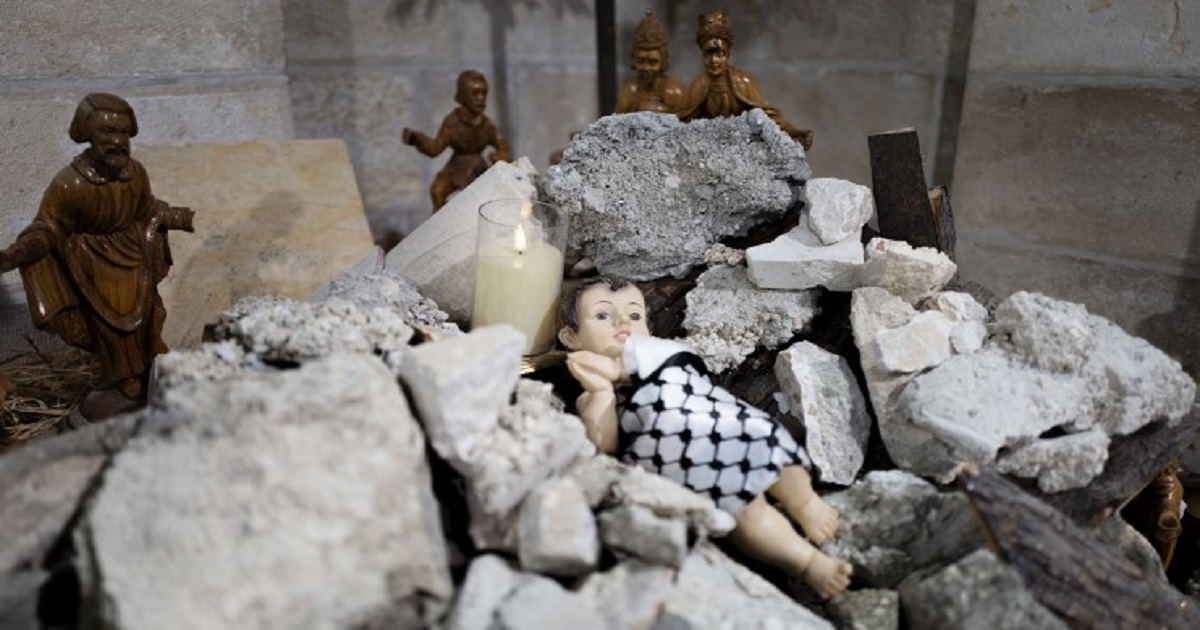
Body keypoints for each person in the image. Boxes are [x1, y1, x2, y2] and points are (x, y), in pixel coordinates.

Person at [558, 275, 852, 598]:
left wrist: (615, 371)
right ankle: (807, 563)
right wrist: (601, 392)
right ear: (571, 337)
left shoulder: (660, 352)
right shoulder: (591, 397)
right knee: (746, 512)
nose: (622, 322)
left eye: (635, 314)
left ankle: (805, 502)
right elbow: (605, 448)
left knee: (773, 448)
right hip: (687, 459)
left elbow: (656, 362)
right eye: (602, 315)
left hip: (722, 420)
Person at [0, 93, 194, 416]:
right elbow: (47, 227)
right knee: (110, 329)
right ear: (87, 134)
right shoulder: (69, 184)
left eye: (123, 132)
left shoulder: (136, 174)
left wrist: (179, 218)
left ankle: (151, 367)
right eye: (108, 132)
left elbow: (147, 210)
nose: (118, 141)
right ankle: (126, 381)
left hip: (135, 257)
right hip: (91, 267)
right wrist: (13, 256)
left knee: (150, 313)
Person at [678, 10, 815, 151]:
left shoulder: (743, 81)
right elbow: (685, 119)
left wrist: (793, 133)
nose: (714, 61)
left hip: (743, 146)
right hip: (712, 147)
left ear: (728, 54)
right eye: (707, 55)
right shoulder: (699, 84)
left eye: (720, 54)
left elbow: (768, 116)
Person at [403, 70, 512, 211]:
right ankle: (442, 222)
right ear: (463, 95)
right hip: (455, 167)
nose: (480, 98)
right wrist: (416, 139)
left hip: (478, 168)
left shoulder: (486, 124)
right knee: (437, 190)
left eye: (484, 93)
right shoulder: (452, 122)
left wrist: (500, 155)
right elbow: (435, 148)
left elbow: (502, 144)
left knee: (479, 200)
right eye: (475, 93)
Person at [615, 10, 686, 115]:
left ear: (663, 62)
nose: (646, 68)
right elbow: (617, 122)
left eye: (652, 62)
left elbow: (685, 123)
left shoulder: (676, 93)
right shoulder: (629, 93)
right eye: (641, 61)